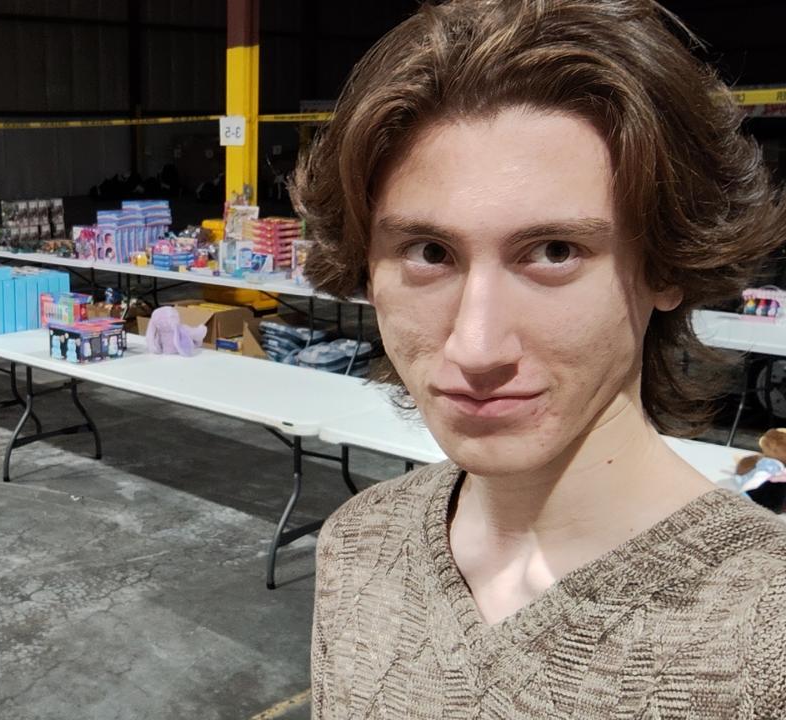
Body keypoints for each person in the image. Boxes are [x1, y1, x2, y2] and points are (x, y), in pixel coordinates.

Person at [291, 1, 786, 717]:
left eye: (555, 251)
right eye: (429, 252)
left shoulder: (765, 637)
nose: (476, 346)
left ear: (668, 266)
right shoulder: (357, 544)